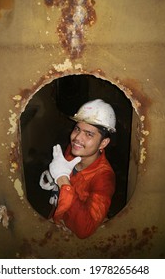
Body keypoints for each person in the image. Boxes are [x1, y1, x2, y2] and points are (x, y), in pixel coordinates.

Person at [39, 99, 116, 239]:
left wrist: (62, 179)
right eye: (77, 129)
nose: (77, 138)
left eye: (89, 134)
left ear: (103, 143)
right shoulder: (74, 150)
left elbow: (85, 229)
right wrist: (53, 179)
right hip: (58, 218)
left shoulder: (104, 178)